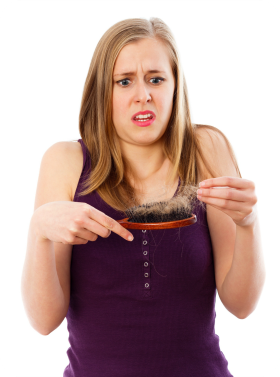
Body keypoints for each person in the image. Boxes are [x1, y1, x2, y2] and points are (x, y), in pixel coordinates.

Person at [21, 17, 265, 377]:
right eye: (124, 81)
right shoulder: (65, 162)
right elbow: (43, 322)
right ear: (102, 91)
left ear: (175, 85)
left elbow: (242, 305)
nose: (143, 94)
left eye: (156, 78)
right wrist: (40, 230)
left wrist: (248, 223)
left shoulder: (206, 148)